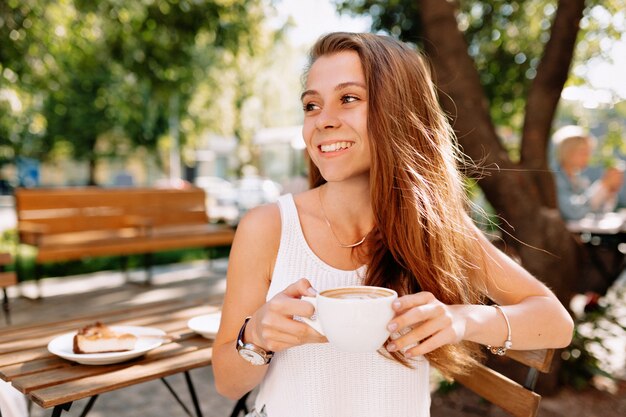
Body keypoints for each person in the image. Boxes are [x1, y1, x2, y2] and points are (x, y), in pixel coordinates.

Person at [212, 32, 573, 417]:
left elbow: (556, 323)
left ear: (399, 111)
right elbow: (227, 382)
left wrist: (463, 320)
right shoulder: (267, 228)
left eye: (348, 98)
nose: (323, 121)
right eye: (311, 105)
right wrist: (256, 336)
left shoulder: (437, 228)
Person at [552, 125, 624, 221]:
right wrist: (603, 186)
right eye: (583, 152)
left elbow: (593, 211)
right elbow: (573, 212)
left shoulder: (578, 178)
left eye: (588, 152)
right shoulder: (554, 177)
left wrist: (609, 190)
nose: (587, 157)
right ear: (567, 151)